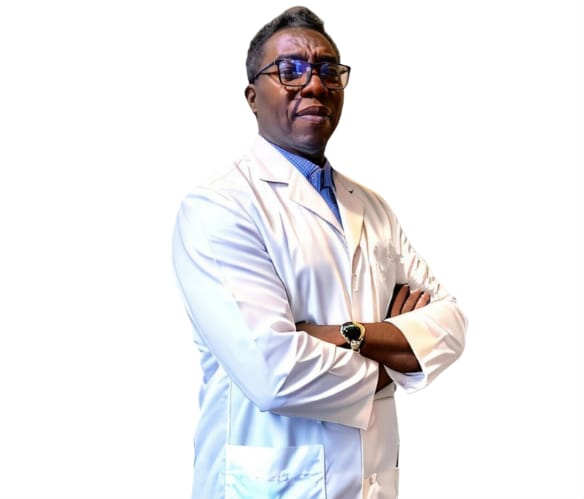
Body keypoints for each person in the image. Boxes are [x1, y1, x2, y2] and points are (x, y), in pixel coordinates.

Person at [172, 6, 468, 498]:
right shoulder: (219, 208)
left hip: (372, 480)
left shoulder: (372, 208)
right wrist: (398, 354)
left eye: (328, 69)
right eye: (290, 70)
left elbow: (451, 324)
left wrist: (343, 336)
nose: (314, 84)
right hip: (271, 486)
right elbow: (275, 374)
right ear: (252, 97)